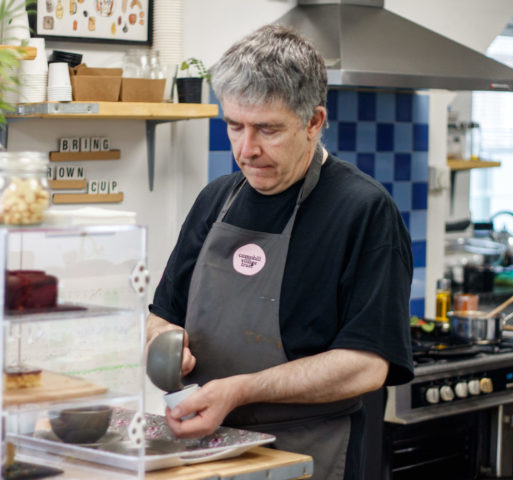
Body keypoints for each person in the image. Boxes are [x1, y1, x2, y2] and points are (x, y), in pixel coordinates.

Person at [146, 24, 413, 479]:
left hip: (311, 456)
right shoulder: (216, 200)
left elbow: (366, 366)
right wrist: (164, 345)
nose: (247, 150)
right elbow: (163, 314)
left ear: (314, 122)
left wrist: (241, 390)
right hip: (208, 452)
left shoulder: (363, 211)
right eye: (235, 127)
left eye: (268, 130)